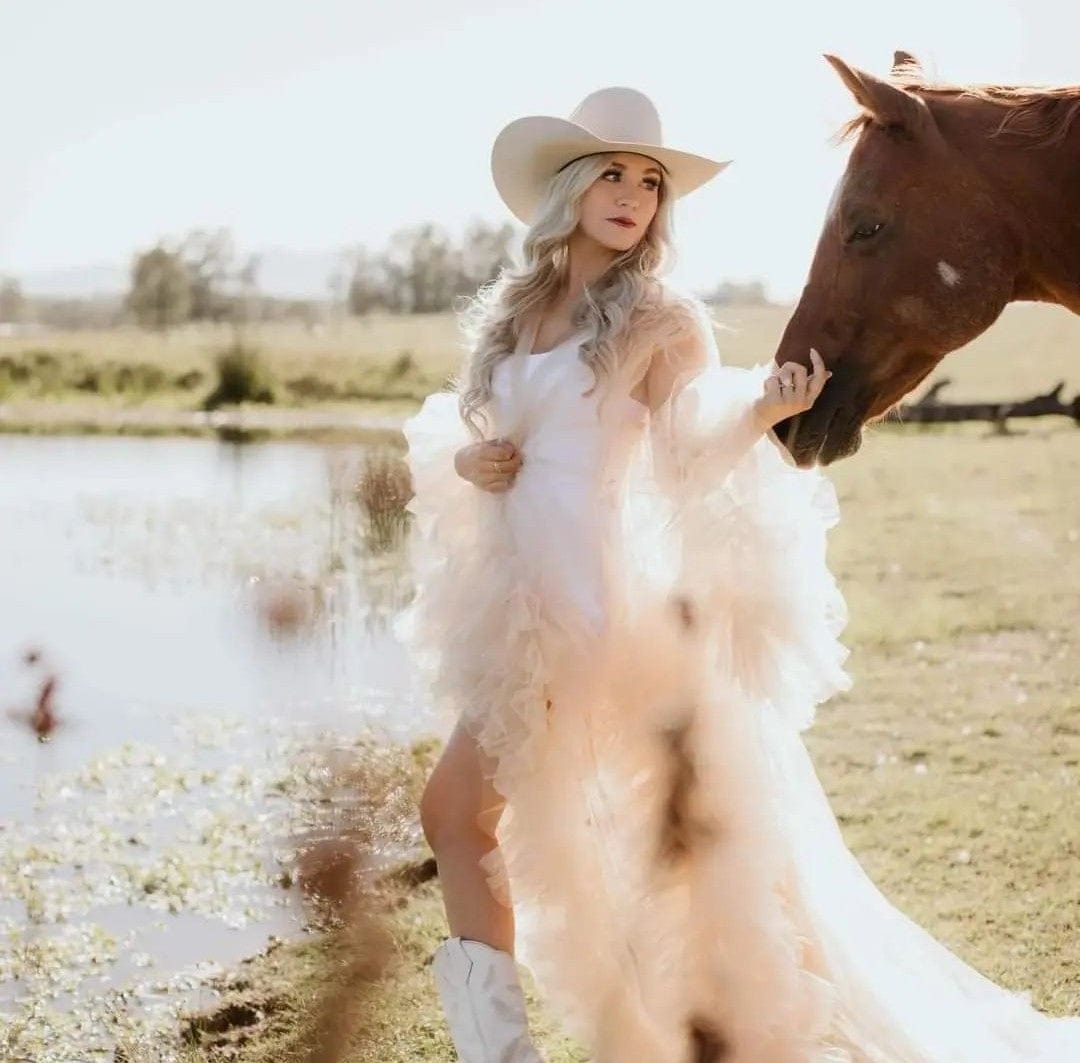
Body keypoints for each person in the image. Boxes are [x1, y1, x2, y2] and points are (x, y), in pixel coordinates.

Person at [395, 87, 1080, 1063]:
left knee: (602, 852)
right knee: (491, 821)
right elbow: (488, 438)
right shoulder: (519, 313)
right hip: (524, 616)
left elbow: (685, 448)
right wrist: (476, 463)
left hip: (605, 616)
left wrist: (763, 410)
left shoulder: (659, 316)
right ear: (568, 188)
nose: (635, 194)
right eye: (614, 173)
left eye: (651, 181)